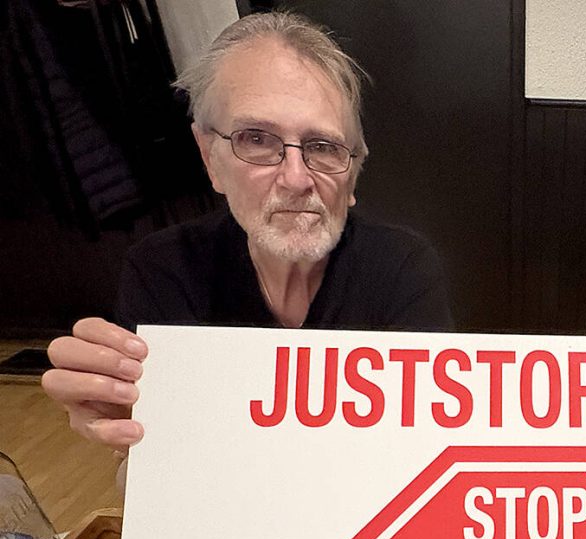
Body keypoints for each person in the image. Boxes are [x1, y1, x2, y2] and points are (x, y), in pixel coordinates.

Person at [43, 12, 451, 451]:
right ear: (209, 158)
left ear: (352, 176)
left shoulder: (402, 270)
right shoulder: (163, 271)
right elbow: (166, 459)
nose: (296, 178)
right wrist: (130, 431)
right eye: (257, 140)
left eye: (323, 147)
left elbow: (419, 452)